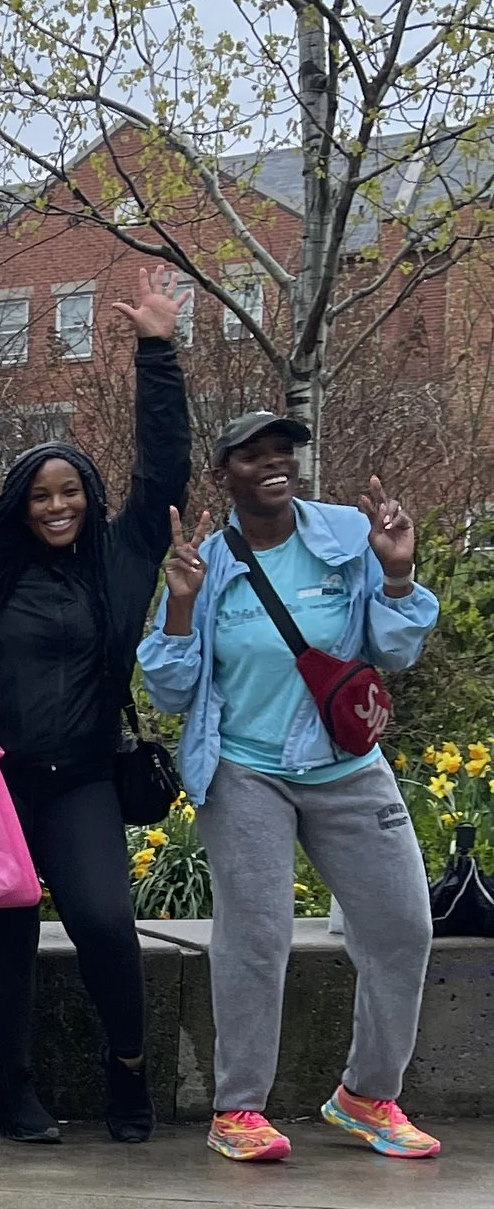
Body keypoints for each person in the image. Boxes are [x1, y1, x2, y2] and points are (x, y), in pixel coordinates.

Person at [139, 423, 439, 1161]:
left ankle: (368, 1096)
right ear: (223, 473)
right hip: (244, 769)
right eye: (254, 454)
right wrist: (180, 604)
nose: (275, 464)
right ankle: (238, 1109)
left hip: (345, 765)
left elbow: (396, 648)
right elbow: (172, 689)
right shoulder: (206, 562)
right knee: (256, 937)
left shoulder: (345, 533)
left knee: (403, 926)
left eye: (284, 452)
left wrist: (397, 574)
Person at [0, 269, 195, 1144]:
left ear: (89, 500)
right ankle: (12, 1086)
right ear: (21, 506)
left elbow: (165, 464)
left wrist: (157, 350)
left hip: (84, 780)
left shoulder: (124, 557)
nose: (57, 505)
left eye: (70, 492)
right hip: (2, 783)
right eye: (41, 494)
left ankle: (127, 1070)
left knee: (104, 920)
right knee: (9, 939)